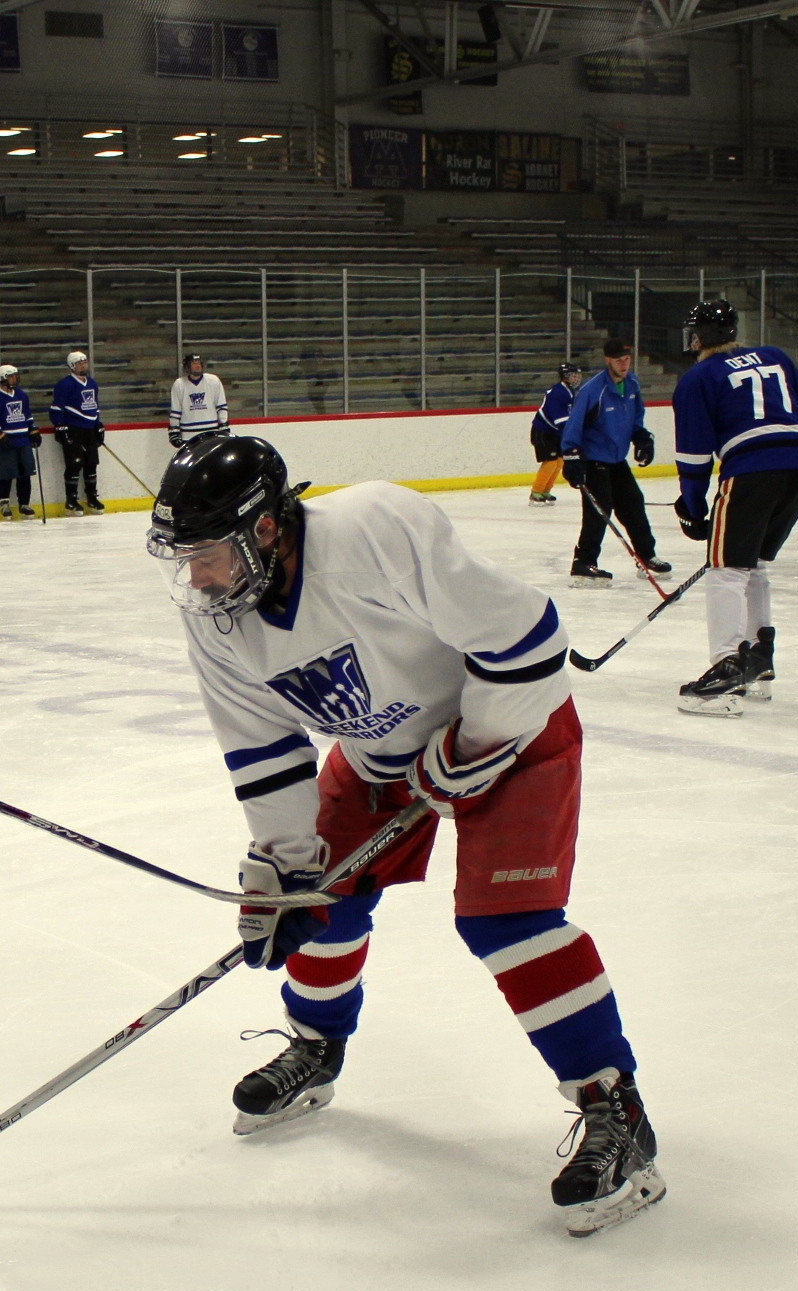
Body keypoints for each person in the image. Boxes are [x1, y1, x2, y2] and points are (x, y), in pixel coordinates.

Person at [144, 435, 665, 1237]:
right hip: (380, 753)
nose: (198, 578)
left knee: (507, 923)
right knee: (322, 900)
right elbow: (263, 750)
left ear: (267, 528)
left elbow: (530, 639)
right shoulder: (219, 624)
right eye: (185, 559)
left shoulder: (370, 531)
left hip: (515, 727)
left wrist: (470, 747)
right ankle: (316, 1047)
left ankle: (614, 1106)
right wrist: (281, 869)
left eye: (208, 555)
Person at [669, 300, 798, 717]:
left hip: (751, 472)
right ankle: (759, 662)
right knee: (753, 563)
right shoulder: (775, 356)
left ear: (698, 336)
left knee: (726, 569)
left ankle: (726, 667)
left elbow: (694, 456)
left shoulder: (698, 378)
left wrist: (691, 507)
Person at [560, 340, 668, 587]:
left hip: (617, 459)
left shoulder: (632, 384)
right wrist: (572, 456)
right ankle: (583, 563)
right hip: (594, 460)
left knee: (633, 504)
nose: (624, 364)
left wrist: (642, 438)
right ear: (607, 360)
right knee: (600, 510)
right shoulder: (592, 390)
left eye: (627, 359)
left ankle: (646, 556)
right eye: (618, 360)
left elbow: (635, 418)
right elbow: (573, 425)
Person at [49, 350, 107, 515]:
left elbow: (94, 407)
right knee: (74, 464)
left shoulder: (92, 384)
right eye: (79, 363)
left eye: (84, 362)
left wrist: (98, 425)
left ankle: (91, 497)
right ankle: (71, 500)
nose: (83, 365)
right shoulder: (65, 384)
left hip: (89, 430)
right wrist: (60, 426)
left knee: (91, 464)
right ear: (72, 366)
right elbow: (56, 409)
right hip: (73, 430)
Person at [0, 364, 40, 520]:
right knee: (5, 475)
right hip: (6, 443)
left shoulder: (22, 395)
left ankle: (24, 504)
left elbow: (27, 417)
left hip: (22, 441)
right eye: (11, 376)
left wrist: (33, 431)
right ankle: (4, 504)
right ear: (2, 379)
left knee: (25, 473)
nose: (15, 378)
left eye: (15, 375)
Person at [527, 362, 581, 505]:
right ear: (565, 377)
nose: (576, 379)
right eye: (573, 375)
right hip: (542, 432)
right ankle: (536, 492)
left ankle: (545, 490)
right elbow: (561, 421)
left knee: (559, 461)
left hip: (553, 432)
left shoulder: (569, 392)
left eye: (577, 375)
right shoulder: (558, 393)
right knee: (551, 461)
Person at [168, 352, 229, 448]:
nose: (197, 366)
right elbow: (176, 411)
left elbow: (221, 407)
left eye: (199, 363)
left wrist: (224, 425)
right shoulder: (179, 384)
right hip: (188, 436)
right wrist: (174, 431)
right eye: (194, 363)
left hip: (211, 434)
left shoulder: (213, 381)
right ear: (187, 366)